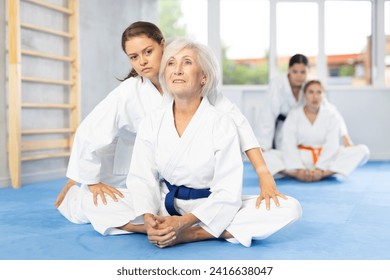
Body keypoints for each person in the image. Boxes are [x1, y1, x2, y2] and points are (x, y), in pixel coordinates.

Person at [55, 21, 284, 232]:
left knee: (275, 208)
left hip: (183, 181)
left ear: (162, 45)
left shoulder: (190, 81)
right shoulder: (130, 92)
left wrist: (264, 175)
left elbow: (239, 124)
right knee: (97, 201)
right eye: (133, 57)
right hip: (137, 171)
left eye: (148, 52)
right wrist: (85, 179)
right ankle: (150, 227)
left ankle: (184, 227)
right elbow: (90, 131)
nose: (142, 61)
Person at [120, 38, 302, 247]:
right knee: (93, 199)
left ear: (204, 77)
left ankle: (193, 234)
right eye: (171, 63)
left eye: (187, 62)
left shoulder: (222, 121)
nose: (177, 70)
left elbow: (228, 190)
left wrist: (183, 223)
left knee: (290, 208)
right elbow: (142, 176)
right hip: (164, 201)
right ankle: (155, 228)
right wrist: (148, 216)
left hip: (208, 205)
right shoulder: (153, 120)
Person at [258, 54, 353, 176]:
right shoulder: (277, 84)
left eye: (303, 72)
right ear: (289, 70)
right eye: (295, 71)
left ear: (308, 72)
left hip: (303, 129)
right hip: (284, 130)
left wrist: (344, 135)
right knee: (269, 156)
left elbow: (330, 110)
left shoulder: (309, 86)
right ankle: (296, 172)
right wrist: (263, 146)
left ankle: (317, 171)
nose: (299, 76)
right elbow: (268, 116)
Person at [281, 80, 369, 182]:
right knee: (266, 156)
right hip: (301, 157)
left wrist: (320, 169)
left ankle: (323, 174)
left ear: (323, 95)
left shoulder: (331, 115)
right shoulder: (294, 115)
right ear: (305, 95)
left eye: (319, 92)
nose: (315, 96)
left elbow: (332, 144)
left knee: (363, 150)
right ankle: (298, 174)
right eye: (311, 92)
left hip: (325, 157)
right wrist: (298, 168)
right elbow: (289, 143)